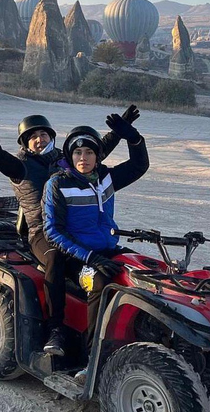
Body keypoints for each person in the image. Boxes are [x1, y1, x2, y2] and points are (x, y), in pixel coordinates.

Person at [0, 93, 140, 357]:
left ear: (52, 137)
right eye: (34, 136)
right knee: (55, 259)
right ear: (26, 142)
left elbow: (94, 152)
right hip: (41, 232)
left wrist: (121, 132)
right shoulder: (21, 166)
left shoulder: (62, 158)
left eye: (44, 135)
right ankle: (56, 328)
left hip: (71, 226)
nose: (40, 139)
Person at [41, 117, 149, 382]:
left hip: (107, 249)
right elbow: (52, 231)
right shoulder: (58, 184)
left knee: (144, 276)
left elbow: (139, 165)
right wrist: (90, 257)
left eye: (89, 152)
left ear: (97, 156)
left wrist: (133, 138)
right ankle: (92, 360)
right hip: (76, 256)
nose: (83, 157)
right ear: (70, 154)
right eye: (78, 152)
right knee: (99, 282)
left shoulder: (106, 179)